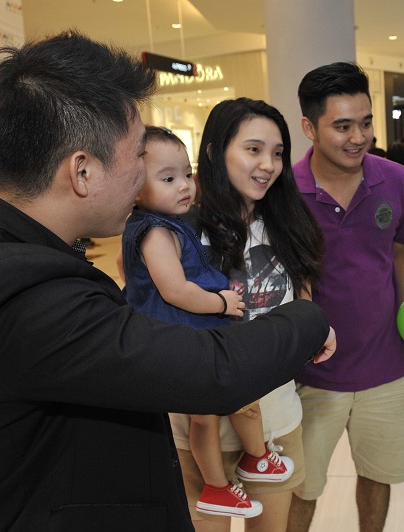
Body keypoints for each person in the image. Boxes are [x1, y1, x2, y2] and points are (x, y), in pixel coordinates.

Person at [0, 31, 335, 532]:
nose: (142, 178)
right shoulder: (14, 286)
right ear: (82, 172)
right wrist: (309, 318)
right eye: (137, 158)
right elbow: (214, 372)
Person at [122, 125, 296, 521]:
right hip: (185, 335)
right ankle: (225, 481)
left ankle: (244, 466)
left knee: (222, 408)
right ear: (133, 186)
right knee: (223, 406)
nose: (184, 186)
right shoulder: (154, 232)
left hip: (192, 335)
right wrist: (220, 302)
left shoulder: (172, 221)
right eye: (168, 178)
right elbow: (175, 291)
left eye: (187, 174)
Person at [173, 97, 325, 532]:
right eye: (253, 149)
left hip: (274, 418)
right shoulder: (180, 229)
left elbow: (303, 305)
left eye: (277, 153)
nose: (269, 164)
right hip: (200, 424)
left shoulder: (287, 222)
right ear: (214, 152)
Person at [287, 61, 404, 532]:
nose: (358, 137)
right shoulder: (284, 192)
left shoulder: (395, 180)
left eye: (365, 122)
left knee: (377, 475)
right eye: (342, 125)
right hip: (310, 371)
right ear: (310, 127)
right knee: (300, 487)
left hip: (384, 364)